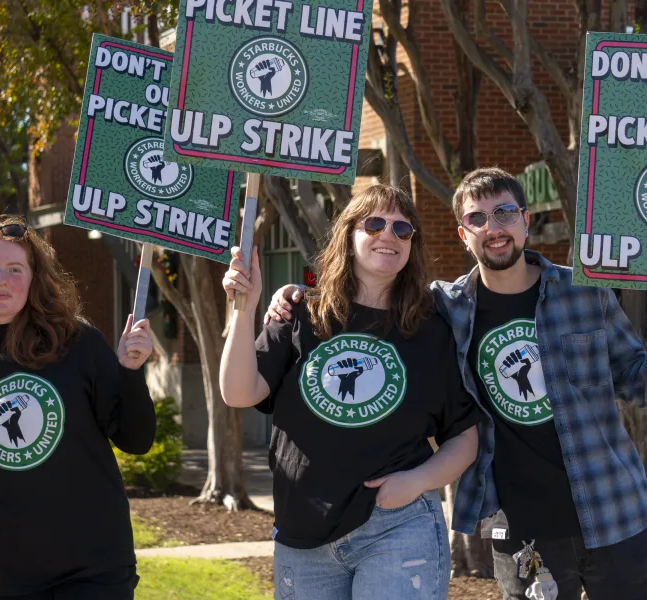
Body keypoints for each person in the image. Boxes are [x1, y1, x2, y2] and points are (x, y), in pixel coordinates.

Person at [265, 168, 647, 600]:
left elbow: (635, 371)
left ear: (526, 220)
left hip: (614, 510)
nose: (493, 228)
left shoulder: (585, 293)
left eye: (504, 213)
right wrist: (297, 295)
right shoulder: (445, 307)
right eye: (477, 219)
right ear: (463, 234)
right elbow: (365, 296)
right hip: (522, 528)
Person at [221, 185, 481, 600]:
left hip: (397, 524)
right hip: (302, 531)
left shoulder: (432, 330)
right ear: (349, 234)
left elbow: (464, 435)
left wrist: (417, 481)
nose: (388, 235)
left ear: (413, 244)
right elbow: (238, 392)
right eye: (374, 223)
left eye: (403, 229)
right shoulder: (301, 314)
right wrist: (244, 308)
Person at [0, 215, 156, 600]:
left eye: (15, 269)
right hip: (2, 575)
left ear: (35, 277)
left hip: (92, 570)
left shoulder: (78, 342)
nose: (2, 280)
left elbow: (136, 440)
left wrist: (132, 373)